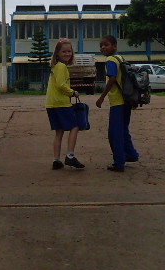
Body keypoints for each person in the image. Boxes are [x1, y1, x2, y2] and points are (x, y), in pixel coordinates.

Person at [94, 34, 139, 172]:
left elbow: (112, 78)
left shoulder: (110, 60)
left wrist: (101, 97)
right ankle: (131, 154)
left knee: (115, 133)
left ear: (114, 46)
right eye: (101, 45)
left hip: (118, 102)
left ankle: (118, 162)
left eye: (106, 44)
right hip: (126, 100)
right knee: (124, 129)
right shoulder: (121, 58)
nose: (103, 47)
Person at [46, 38, 85, 170]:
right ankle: (70, 156)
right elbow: (61, 85)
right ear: (57, 53)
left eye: (69, 51)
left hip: (51, 104)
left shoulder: (55, 66)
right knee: (75, 126)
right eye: (64, 52)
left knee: (59, 132)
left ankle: (56, 160)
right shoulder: (62, 67)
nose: (67, 54)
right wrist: (73, 93)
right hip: (61, 103)